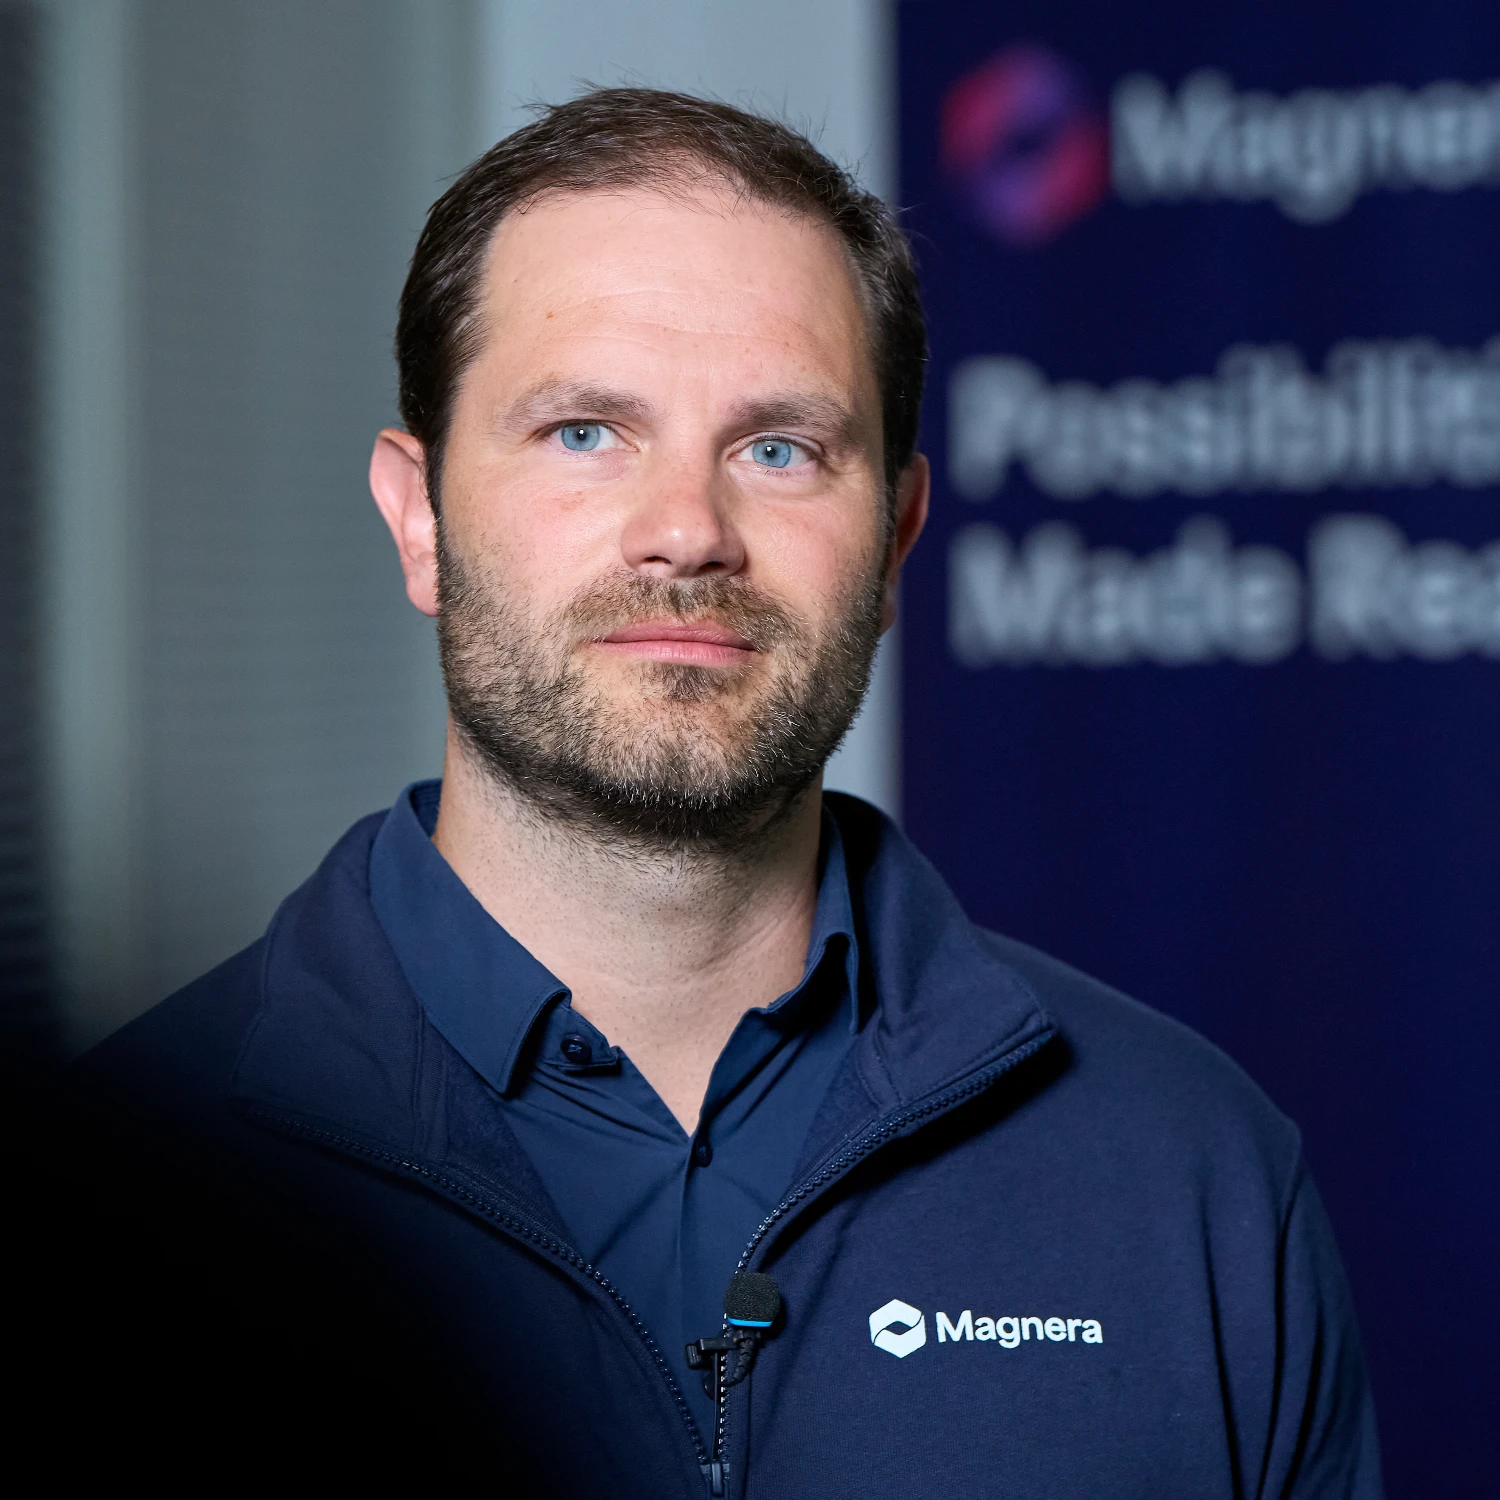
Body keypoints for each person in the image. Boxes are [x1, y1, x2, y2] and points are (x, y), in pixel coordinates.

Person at [56, 89, 1382, 1498]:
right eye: (583, 431)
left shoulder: (1193, 1180)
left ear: (894, 542)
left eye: (780, 449)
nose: (686, 528)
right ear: (420, 516)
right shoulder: (122, 1191)